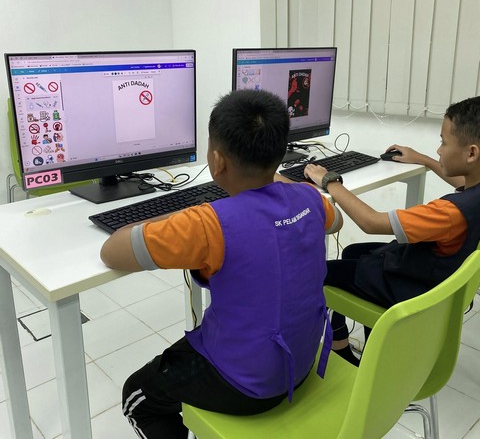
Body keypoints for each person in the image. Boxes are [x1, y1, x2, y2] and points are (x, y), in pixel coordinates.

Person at [100, 89, 343, 439]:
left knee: (137, 397)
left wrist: (182, 215)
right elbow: (336, 221)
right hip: (299, 362)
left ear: (217, 161)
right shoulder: (311, 199)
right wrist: (279, 180)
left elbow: (112, 251)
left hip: (247, 384)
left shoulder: (209, 223)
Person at [303, 96, 480, 365]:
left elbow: (371, 223)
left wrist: (329, 181)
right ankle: (346, 345)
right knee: (352, 252)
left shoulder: (449, 213)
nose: (439, 150)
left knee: (321, 273)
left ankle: (365, 357)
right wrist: (423, 159)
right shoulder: (473, 196)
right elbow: (461, 181)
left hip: (410, 288)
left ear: (471, 153)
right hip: (432, 276)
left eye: (443, 142)